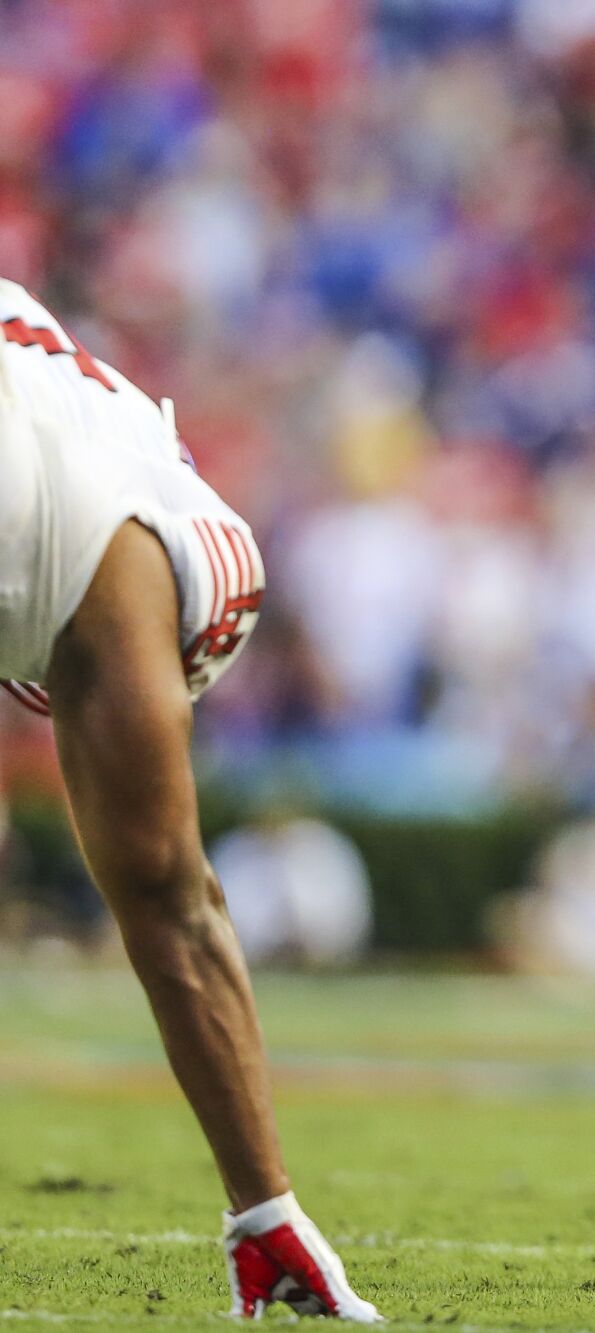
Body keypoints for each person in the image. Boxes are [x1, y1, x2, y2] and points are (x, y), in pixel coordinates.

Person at [0, 280, 379, 1322]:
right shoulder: (118, 563)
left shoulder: (80, 412)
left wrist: (265, 1210)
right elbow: (174, 911)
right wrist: (265, 1206)